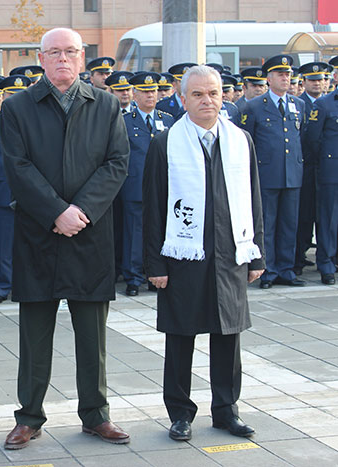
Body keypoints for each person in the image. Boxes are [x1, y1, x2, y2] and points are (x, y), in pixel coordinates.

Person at [0, 27, 131, 450]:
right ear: (40, 59)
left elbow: (116, 163)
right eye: (53, 52)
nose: (62, 59)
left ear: (82, 57)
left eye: (70, 52)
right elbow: (17, 168)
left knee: (92, 337)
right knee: (35, 335)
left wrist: (82, 211)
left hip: (89, 236)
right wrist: (56, 211)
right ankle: (29, 417)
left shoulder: (106, 104)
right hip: (39, 234)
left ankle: (96, 415)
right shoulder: (18, 107)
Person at [142, 64, 265, 441]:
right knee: (181, 337)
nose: (207, 100)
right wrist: (155, 263)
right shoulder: (166, 143)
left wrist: (256, 253)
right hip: (183, 257)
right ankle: (180, 413)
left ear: (223, 94)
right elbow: (153, 207)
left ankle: (226, 411)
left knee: (228, 335)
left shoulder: (240, 140)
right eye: (197, 94)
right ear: (182, 99)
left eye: (213, 92)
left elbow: (254, 198)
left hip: (230, 253)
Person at [241, 55, 306, 289]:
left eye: (288, 74)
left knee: (289, 223)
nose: (286, 78)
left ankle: (286, 269)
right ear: (269, 78)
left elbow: (302, 137)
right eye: (281, 74)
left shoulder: (298, 105)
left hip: (292, 174)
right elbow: (248, 142)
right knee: (267, 224)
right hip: (266, 174)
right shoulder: (255, 106)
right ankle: (267, 270)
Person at [121, 72, 174, 296]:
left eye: (152, 91)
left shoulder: (168, 119)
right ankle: (133, 277)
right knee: (134, 233)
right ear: (134, 94)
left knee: (158, 231)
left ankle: (155, 274)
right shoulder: (124, 121)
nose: (150, 95)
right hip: (135, 186)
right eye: (144, 91)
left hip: (162, 186)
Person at [304, 61, 338, 285]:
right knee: (327, 219)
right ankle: (325, 263)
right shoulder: (325, 104)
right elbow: (313, 140)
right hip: (331, 170)